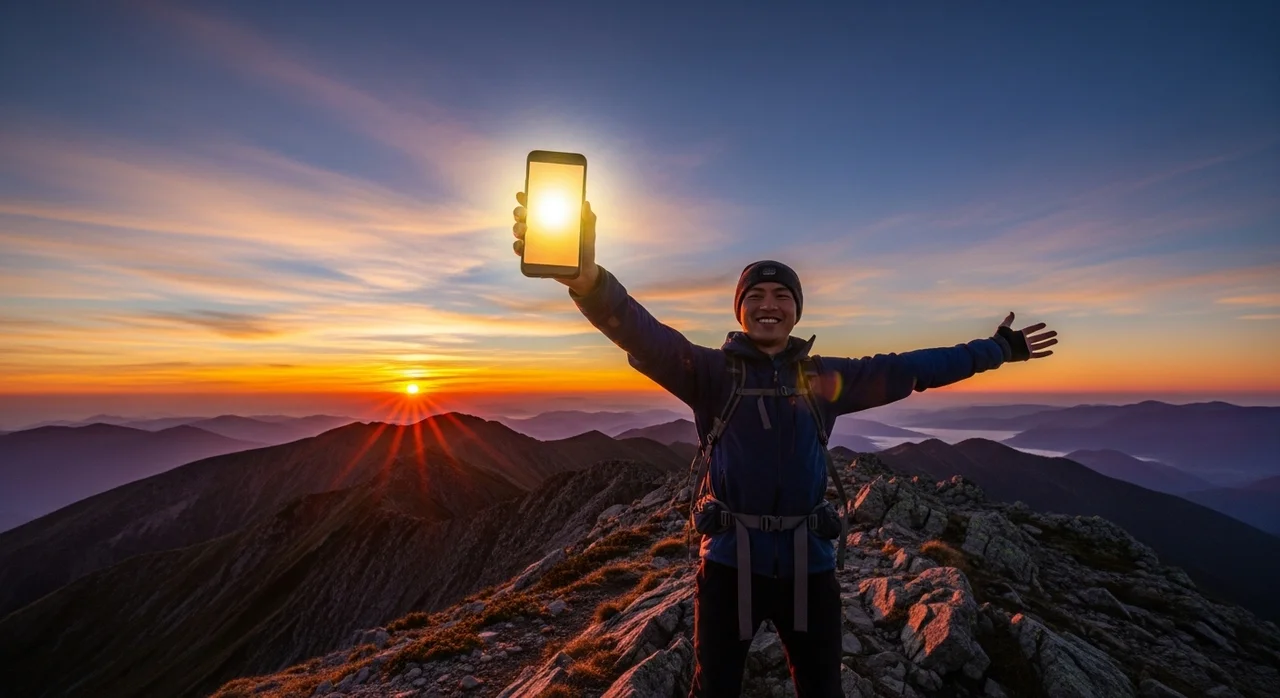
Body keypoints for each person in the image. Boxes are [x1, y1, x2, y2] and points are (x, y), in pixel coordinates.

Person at [510, 192, 1057, 698]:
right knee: (715, 689)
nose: (768, 304)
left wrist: (995, 350)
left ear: (797, 310)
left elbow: (913, 369)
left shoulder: (825, 379)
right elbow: (639, 331)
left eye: (781, 296)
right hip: (727, 566)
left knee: (821, 689)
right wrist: (587, 281)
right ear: (740, 311)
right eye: (756, 296)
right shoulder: (709, 374)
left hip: (808, 567)